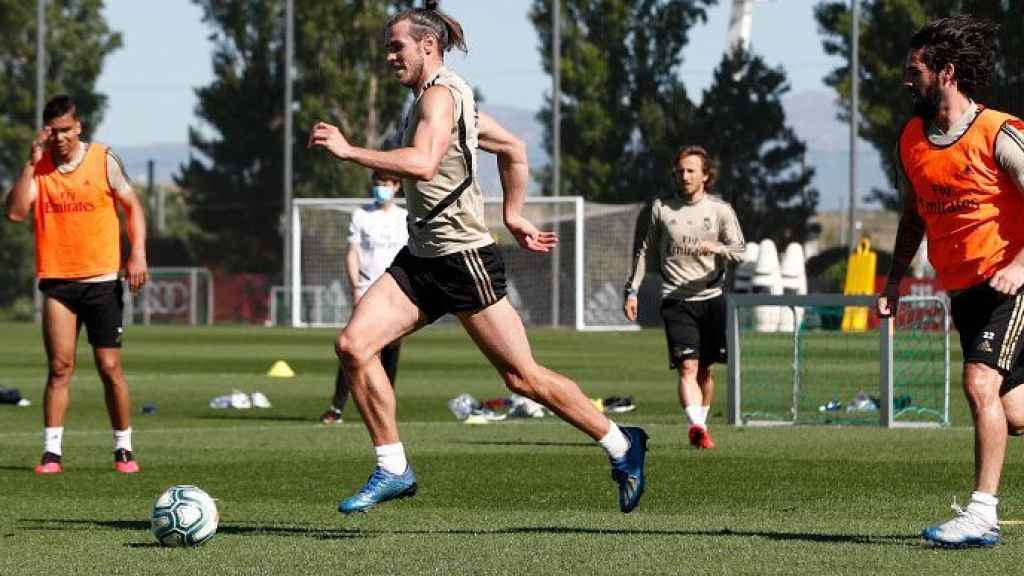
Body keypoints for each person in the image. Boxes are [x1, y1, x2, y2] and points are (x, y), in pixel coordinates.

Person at [308, 0, 648, 514]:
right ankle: (394, 466)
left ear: (428, 46)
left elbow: (422, 163)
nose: (389, 58)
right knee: (354, 346)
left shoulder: (440, 98)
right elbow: (513, 148)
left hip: (464, 260)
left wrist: (350, 150)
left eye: (396, 48)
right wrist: (513, 213)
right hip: (423, 256)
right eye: (386, 50)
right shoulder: (441, 96)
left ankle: (623, 444)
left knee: (522, 378)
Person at [880, 15, 1024, 547]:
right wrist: (895, 280)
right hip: (964, 293)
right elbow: (914, 216)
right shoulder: (912, 139)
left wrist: (1019, 266)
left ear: (945, 71)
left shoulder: (999, 132)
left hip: (1012, 284)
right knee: (1014, 413)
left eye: (912, 70)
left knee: (978, 383)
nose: (905, 80)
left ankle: (982, 514)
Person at [5, 94, 149, 474]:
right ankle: (52, 453)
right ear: (45, 132)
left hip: (102, 279)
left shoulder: (104, 159)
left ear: (79, 127)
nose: (60, 138)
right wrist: (29, 164)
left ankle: (123, 448)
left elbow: (133, 207)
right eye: (53, 131)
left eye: (66, 130)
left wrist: (137, 254)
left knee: (108, 366)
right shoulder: (39, 168)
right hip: (57, 280)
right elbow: (16, 212)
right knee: (60, 367)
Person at [623, 146, 745, 450]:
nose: (684, 175)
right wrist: (632, 289)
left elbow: (741, 251)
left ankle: (701, 425)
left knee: (706, 370)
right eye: (680, 170)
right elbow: (643, 251)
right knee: (687, 368)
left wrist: (718, 249)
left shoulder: (720, 211)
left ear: (705, 175)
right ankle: (697, 425)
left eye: (691, 170)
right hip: (675, 299)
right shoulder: (662, 208)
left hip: (711, 298)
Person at [320, 170, 408, 425]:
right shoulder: (361, 215)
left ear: (397, 186)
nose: (381, 188)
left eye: (387, 183)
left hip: (395, 290)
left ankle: (384, 403)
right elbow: (353, 253)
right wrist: (356, 287)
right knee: (353, 345)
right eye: (378, 183)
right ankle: (337, 406)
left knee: (392, 346)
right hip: (368, 289)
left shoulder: (405, 218)